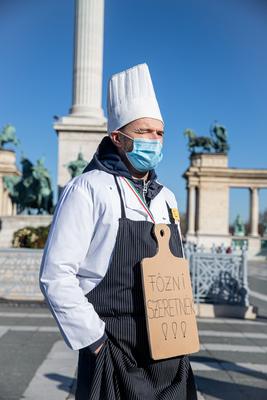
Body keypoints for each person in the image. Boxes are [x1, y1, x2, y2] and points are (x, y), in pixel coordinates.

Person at [39, 63, 197, 400]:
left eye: (159, 132)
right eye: (143, 132)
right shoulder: (88, 188)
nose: (154, 140)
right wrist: (96, 341)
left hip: (169, 347)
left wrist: (182, 325)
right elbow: (56, 274)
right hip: (114, 345)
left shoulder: (166, 197)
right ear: (117, 138)